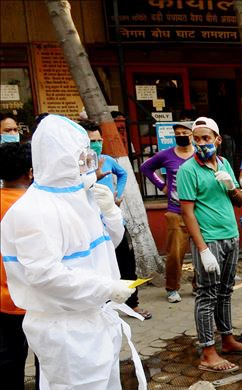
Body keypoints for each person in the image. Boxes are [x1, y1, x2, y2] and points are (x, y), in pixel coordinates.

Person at [1, 114, 145, 389]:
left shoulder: (81, 197)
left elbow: (106, 246)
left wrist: (111, 213)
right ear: (58, 157)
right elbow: (44, 274)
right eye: (81, 156)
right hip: (66, 331)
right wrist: (106, 288)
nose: (88, 163)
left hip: (95, 321)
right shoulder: (34, 209)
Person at [177, 116, 242, 373]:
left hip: (231, 236)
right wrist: (202, 249)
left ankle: (228, 339)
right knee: (206, 295)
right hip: (209, 240)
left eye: (206, 138)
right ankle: (208, 351)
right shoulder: (188, 170)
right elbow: (187, 213)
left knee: (225, 291)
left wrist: (231, 185)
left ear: (217, 140)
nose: (201, 143)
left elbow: (240, 201)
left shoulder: (223, 164)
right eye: (196, 139)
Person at [81, 119, 151, 320]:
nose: (97, 143)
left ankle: (133, 304)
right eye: (92, 140)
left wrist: (117, 196)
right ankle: (102, 307)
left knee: (127, 264)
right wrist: (92, 176)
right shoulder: (75, 167)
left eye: (99, 139)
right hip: (92, 228)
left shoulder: (107, 160)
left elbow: (122, 174)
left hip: (115, 223)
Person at [140, 122, 195, 303]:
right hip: (176, 211)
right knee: (174, 254)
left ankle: (199, 285)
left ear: (192, 134)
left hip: (200, 212)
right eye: (177, 133)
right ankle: (172, 288)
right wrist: (162, 185)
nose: (181, 135)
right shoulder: (166, 155)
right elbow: (146, 168)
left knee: (202, 252)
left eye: (184, 132)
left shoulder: (200, 155)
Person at [0, 142, 33, 389]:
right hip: (37, 300)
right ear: (31, 172)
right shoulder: (38, 206)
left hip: (3, 303)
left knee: (8, 363)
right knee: (48, 361)